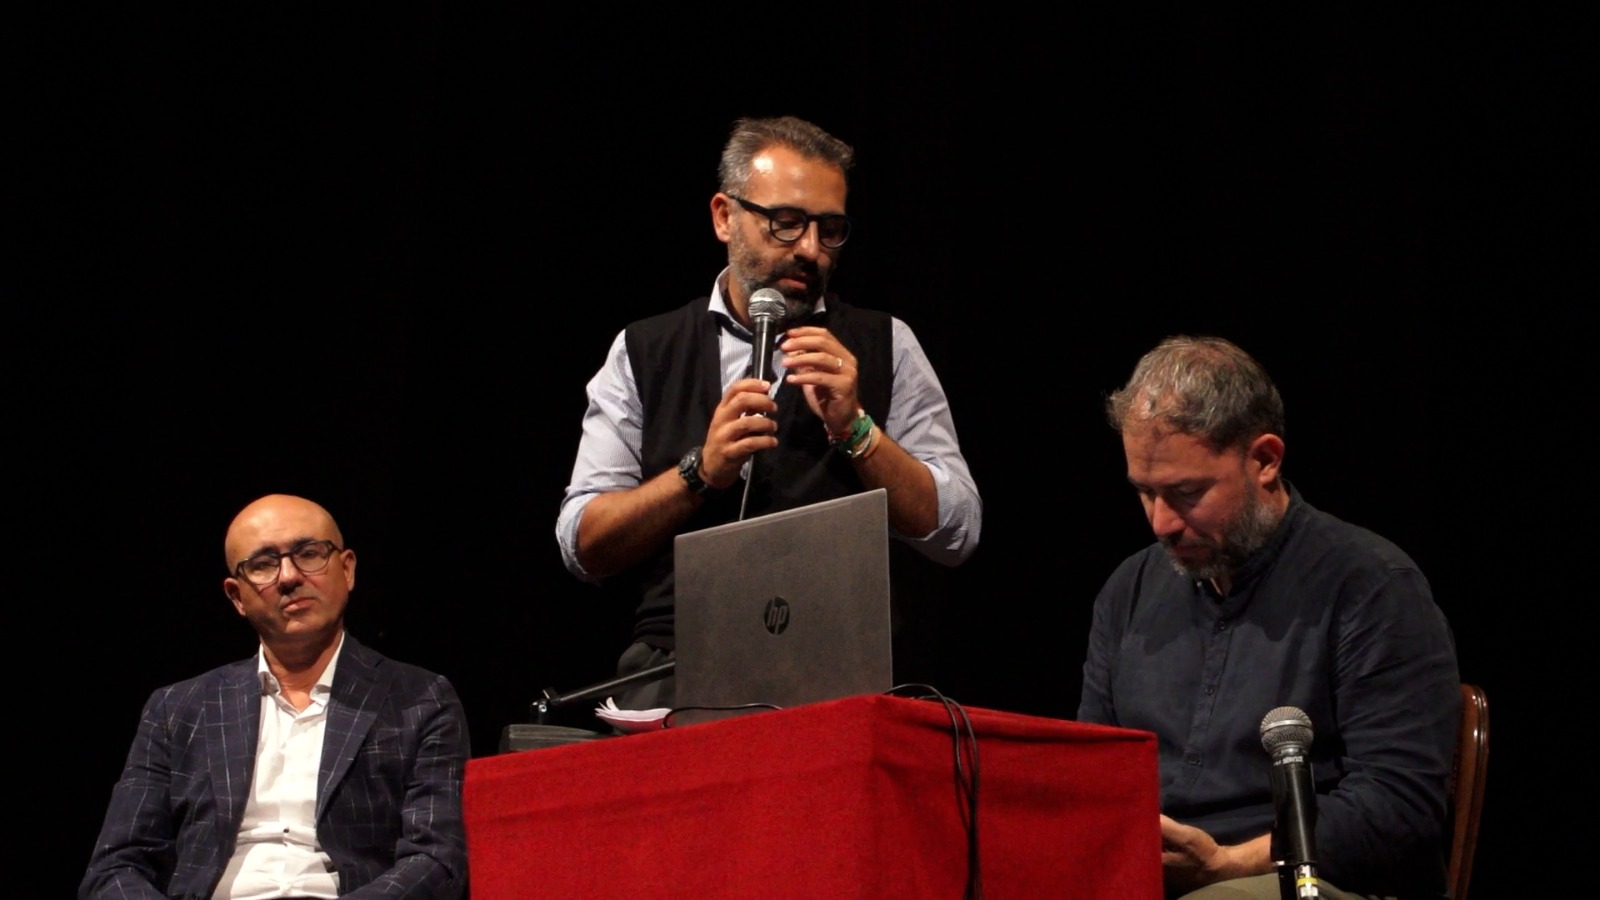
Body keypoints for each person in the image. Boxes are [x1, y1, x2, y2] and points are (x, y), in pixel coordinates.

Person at [556, 115, 981, 708]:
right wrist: (698, 473)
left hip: (839, 673)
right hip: (678, 669)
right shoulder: (645, 350)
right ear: (724, 216)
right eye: (786, 223)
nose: (810, 249)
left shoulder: (887, 345)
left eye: (830, 230)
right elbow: (582, 544)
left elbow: (959, 530)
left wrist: (858, 431)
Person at [1078, 336, 1459, 900]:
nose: (1161, 523)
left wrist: (1227, 864)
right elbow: (1093, 776)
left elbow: (1399, 806)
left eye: (1186, 493)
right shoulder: (1128, 591)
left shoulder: (1371, 585)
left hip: (1310, 879)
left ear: (1264, 460)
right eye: (1145, 493)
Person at [81, 494, 470, 899]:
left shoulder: (420, 699)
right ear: (236, 596)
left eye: (309, 553)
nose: (288, 576)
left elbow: (437, 858)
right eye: (263, 564)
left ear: (347, 569)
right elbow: (116, 866)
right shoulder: (178, 709)